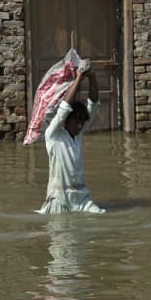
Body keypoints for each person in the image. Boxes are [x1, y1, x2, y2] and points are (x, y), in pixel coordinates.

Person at [36, 65, 105, 214]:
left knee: (101, 215)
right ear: (66, 120)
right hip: (59, 198)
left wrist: (92, 77)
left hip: (82, 198)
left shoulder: (78, 135)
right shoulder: (53, 134)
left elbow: (93, 105)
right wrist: (79, 77)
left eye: (82, 122)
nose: (80, 126)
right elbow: (64, 109)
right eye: (76, 121)